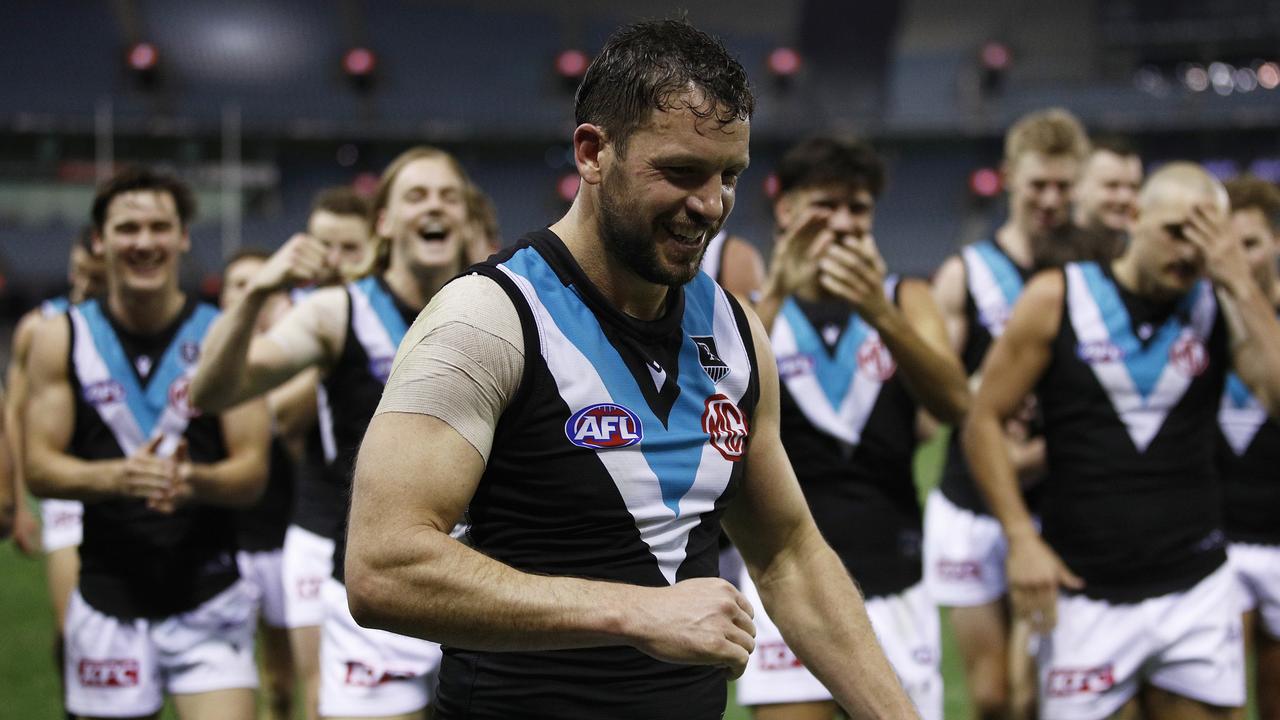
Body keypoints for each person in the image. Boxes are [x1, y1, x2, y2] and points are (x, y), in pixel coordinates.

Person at [344, 20, 917, 719]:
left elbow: (788, 556)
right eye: (680, 172)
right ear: (593, 152)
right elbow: (383, 568)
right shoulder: (484, 320)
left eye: (728, 175)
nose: (710, 205)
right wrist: (635, 613)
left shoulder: (736, 331)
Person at [964, 162, 1280, 719]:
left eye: (1204, 240)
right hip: (1086, 590)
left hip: (1196, 588)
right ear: (1134, 217)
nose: (1188, 253)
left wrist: (1238, 281)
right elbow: (982, 421)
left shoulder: (1218, 305)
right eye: (1175, 232)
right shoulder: (1059, 297)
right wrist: (1021, 538)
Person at [191, 146, 471, 720]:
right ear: (385, 224)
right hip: (376, 589)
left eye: (448, 196)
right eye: (416, 196)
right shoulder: (337, 311)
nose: (434, 207)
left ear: (465, 218)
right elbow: (211, 392)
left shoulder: (496, 303)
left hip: (475, 584)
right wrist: (259, 291)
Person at [23, 166, 271, 720]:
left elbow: (252, 472)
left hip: (209, 599)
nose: (143, 242)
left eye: (159, 227)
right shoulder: (61, 336)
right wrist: (115, 477)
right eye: (127, 228)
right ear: (100, 240)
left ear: (182, 237)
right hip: (108, 599)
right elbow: (38, 467)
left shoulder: (223, 334)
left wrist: (194, 482)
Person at [736, 137, 969, 719]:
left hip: (895, 573)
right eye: (826, 205)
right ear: (785, 209)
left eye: (858, 208)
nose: (843, 223)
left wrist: (881, 314)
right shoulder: (745, 309)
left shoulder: (904, 298)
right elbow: (718, 408)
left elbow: (956, 405)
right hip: (785, 581)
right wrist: (782, 291)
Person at [926, 107, 1090, 718]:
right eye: (1039, 183)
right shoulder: (965, 274)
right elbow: (938, 398)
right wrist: (980, 391)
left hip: (1053, 502)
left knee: (1042, 693)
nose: (1050, 199)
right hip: (970, 502)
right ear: (1010, 178)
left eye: (1063, 186)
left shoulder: (1089, 273)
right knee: (992, 698)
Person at [273, 186, 376, 720]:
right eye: (323, 246)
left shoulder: (401, 310)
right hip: (317, 526)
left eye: (348, 248)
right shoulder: (300, 317)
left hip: (386, 528)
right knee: (315, 694)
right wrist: (332, 355)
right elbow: (282, 420)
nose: (334, 261)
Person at [5, 226, 108, 716]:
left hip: (122, 486)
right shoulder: (41, 328)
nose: (86, 285)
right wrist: (20, 500)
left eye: (96, 277)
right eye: (80, 274)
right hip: (66, 491)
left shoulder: (134, 331)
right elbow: (16, 414)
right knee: (71, 628)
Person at [219, 248, 307, 720]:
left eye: (262, 286)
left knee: (279, 679)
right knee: (226, 675)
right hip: (224, 541)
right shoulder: (203, 365)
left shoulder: (301, 361)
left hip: (283, 538)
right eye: (238, 285)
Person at [1218, 175, 1280, 719]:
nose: (1240, 259)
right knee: (1222, 702)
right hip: (1217, 542)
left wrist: (1247, 295)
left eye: (1253, 244)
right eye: (1229, 247)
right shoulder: (1195, 316)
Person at [1071, 137, 1143, 236]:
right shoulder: (1050, 247)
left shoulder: (1145, 249)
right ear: (1077, 187)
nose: (1125, 198)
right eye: (1112, 186)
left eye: (1133, 187)